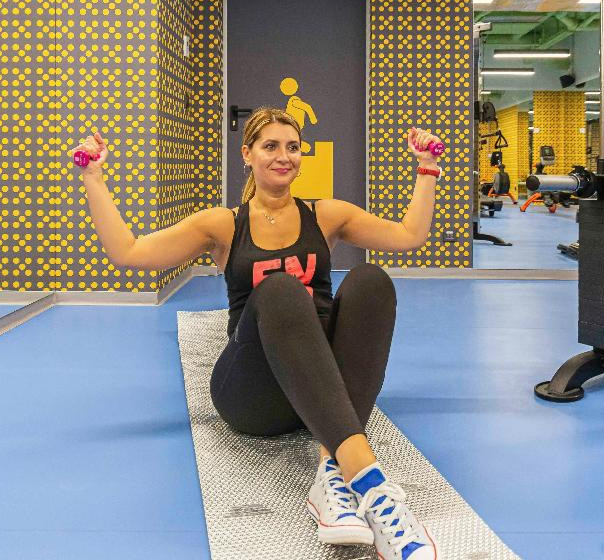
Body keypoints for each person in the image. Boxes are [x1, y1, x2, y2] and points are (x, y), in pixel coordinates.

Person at [71, 107, 442, 559]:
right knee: (282, 290)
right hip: (254, 395)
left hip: (319, 395)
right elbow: (129, 252)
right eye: (270, 146)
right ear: (247, 154)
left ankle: (331, 471)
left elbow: (408, 235)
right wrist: (93, 177)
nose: (283, 156)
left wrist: (427, 169)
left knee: (372, 281)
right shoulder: (224, 224)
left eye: (292, 146)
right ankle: (371, 485)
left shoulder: (326, 214)